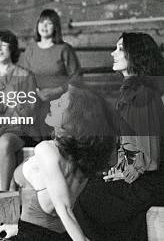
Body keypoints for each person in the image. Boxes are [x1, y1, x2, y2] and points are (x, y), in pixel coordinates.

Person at [0, 83, 116, 241]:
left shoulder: (47, 150)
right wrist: (16, 228)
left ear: (74, 118)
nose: (52, 103)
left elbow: (64, 209)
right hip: (48, 234)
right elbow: (54, 211)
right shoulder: (83, 156)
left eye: (60, 103)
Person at [74, 32, 164, 241]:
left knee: (86, 197)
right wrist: (120, 169)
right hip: (143, 177)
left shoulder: (143, 93)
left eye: (120, 49)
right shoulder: (133, 90)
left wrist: (125, 172)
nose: (113, 53)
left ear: (136, 55)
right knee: (87, 188)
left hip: (153, 182)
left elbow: (149, 159)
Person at [0, 30, 39, 190]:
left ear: (12, 48)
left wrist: (8, 122)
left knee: (5, 142)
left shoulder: (26, 75)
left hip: (17, 129)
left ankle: (4, 193)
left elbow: (30, 109)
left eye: (3, 45)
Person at [19, 9, 80, 138]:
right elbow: (25, 77)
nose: (44, 26)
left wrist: (56, 90)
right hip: (36, 98)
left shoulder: (64, 49)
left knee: (50, 116)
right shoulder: (30, 49)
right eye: (41, 22)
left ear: (56, 27)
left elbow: (77, 77)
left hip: (60, 97)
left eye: (49, 23)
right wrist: (34, 92)